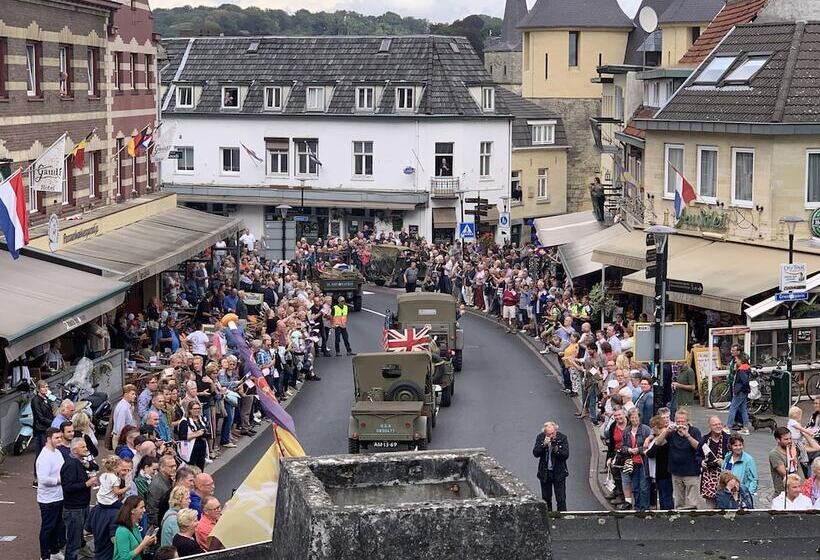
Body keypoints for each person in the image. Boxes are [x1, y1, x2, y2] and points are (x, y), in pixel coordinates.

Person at [652, 408, 703, 509]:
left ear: (687, 421)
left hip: (691, 472)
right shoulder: (672, 433)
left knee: (693, 503)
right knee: (679, 503)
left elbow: (698, 447)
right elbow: (657, 443)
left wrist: (687, 435)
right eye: (678, 421)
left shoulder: (694, 431)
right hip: (676, 472)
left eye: (682, 421)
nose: (680, 423)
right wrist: (666, 431)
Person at [61, 438, 100, 560]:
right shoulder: (70, 465)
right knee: (73, 541)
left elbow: (95, 466)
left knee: (79, 536)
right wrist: (86, 484)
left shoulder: (80, 461)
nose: (86, 449)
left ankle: (82, 550)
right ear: (75, 450)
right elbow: (67, 487)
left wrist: (87, 464)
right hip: (74, 509)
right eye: (83, 447)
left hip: (82, 505)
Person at [37, 427, 66, 560]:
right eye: (57, 438)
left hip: (59, 497)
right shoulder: (43, 457)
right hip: (48, 500)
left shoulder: (57, 453)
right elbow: (43, 479)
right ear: (49, 439)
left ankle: (54, 551)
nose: (60, 440)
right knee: (48, 528)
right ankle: (45, 556)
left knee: (57, 526)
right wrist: (61, 480)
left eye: (60, 437)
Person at [532, 421, 569, 512]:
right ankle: (548, 519)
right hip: (545, 473)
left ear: (556, 431)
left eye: (552, 433)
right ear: (544, 433)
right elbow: (536, 453)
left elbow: (565, 455)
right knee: (546, 499)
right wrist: (543, 445)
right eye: (548, 434)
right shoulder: (540, 437)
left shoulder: (562, 438)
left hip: (559, 473)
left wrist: (556, 448)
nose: (551, 436)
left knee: (561, 499)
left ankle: (562, 519)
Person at [621, 408, 651, 511]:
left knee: (644, 487)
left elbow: (649, 446)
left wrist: (638, 449)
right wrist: (629, 449)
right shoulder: (626, 431)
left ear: (639, 417)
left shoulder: (645, 429)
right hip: (632, 463)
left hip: (643, 462)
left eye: (636, 417)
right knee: (635, 487)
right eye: (632, 417)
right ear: (629, 418)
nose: (634, 419)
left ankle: (644, 508)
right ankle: (637, 507)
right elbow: (623, 446)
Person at [698, 416, 730, 509]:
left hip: (724, 477)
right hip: (709, 478)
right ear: (710, 427)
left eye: (720, 424)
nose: (718, 426)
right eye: (715, 424)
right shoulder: (704, 440)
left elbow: (735, 458)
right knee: (710, 509)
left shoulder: (728, 439)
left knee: (724, 505)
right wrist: (701, 462)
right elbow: (698, 455)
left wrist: (724, 463)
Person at [112, 496, 157, 560]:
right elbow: (124, 557)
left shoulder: (135, 526)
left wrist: (148, 542)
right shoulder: (122, 531)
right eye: (141, 508)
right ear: (132, 510)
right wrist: (143, 543)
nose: (144, 510)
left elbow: (137, 548)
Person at [769, 426, 804, 497]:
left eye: (790, 438)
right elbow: (786, 475)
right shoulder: (774, 454)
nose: (789, 441)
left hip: (800, 492)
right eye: (786, 439)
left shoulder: (793, 448)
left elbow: (815, 447)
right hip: (784, 494)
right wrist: (793, 457)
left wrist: (805, 432)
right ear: (778, 440)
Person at [32, 380, 55, 477]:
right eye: (43, 387)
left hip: (46, 428)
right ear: (38, 389)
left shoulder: (46, 399)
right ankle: (37, 476)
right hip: (40, 430)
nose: (46, 389)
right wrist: (53, 422)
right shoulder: (36, 400)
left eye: (47, 387)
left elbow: (50, 413)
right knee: (40, 453)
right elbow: (39, 417)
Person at [147, 454, 177, 528]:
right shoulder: (156, 485)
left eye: (175, 466)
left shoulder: (170, 478)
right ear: (162, 467)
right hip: (162, 522)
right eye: (171, 467)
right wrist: (159, 526)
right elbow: (152, 509)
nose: (174, 468)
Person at [178, 401, 209, 471]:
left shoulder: (202, 419)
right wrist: (197, 434)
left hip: (201, 448)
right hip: (190, 449)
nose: (197, 410)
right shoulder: (184, 421)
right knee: (190, 470)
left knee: (200, 469)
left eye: (198, 408)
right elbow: (183, 437)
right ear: (190, 410)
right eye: (194, 409)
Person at [725, 354, 751, 435]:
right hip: (744, 392)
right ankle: (745, 428)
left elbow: (745, 381)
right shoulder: (747, 368)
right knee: (743, 409)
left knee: (733, 408)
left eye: (737, 359)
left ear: (741, 360)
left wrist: (738, 390)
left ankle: (728, 427)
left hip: (740, 392)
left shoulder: (742, 369)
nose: (735, 361)